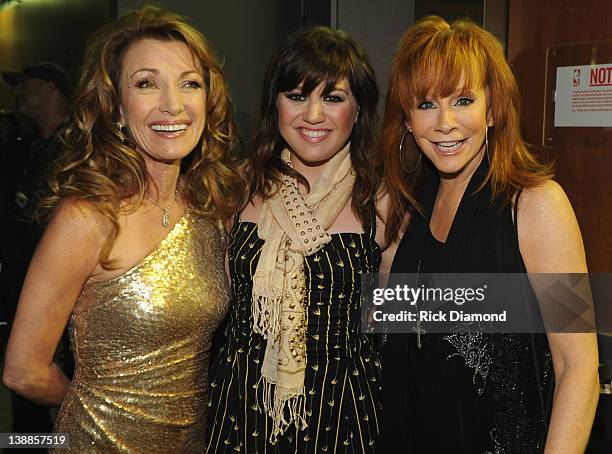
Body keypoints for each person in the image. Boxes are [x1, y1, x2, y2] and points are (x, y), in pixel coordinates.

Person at [2, 6, 244, 452]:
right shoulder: (90, 215)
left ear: (208, 100)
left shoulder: (212, 206)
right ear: (115, 105)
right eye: (146, 83)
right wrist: (95, 416)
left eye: (189, 83)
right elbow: (23, 369)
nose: (172, 104)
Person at [378, 16, 600, 453]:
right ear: (406, 120)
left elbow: (579, 364)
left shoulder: (538, 206)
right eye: (425, 104)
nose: (445, 123)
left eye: (463, 100)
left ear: (493, 109)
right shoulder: (407, 213)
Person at [205, 26, 397, 453]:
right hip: (241, 406)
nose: (313, 115)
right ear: (274, 104)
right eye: (296, 96)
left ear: (359, 109)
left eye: (333, 97)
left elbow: (397, 327)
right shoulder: (235, 191)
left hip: (345, 410)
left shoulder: (383, 201)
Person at [1, 62, 73, 435]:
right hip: (21, 287)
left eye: (23, 84)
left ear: (49, 88)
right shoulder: (27, 145)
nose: (17, 93)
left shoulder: (76, 149)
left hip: (59, 297)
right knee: (26, 415)